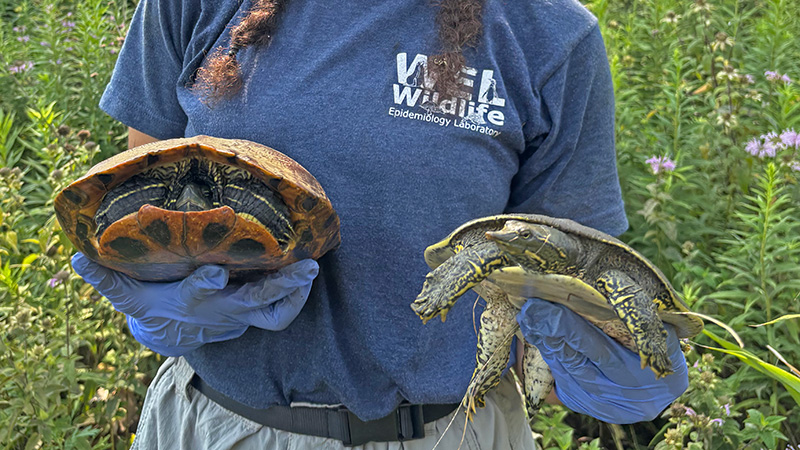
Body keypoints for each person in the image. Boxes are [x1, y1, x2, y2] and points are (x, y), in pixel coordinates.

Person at [71, 0, 689, 448]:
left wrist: (602, 360)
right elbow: (138, 187)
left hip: (450, 432)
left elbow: (563, 269)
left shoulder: (549, 32)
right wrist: (159, 301)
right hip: (221, 423)